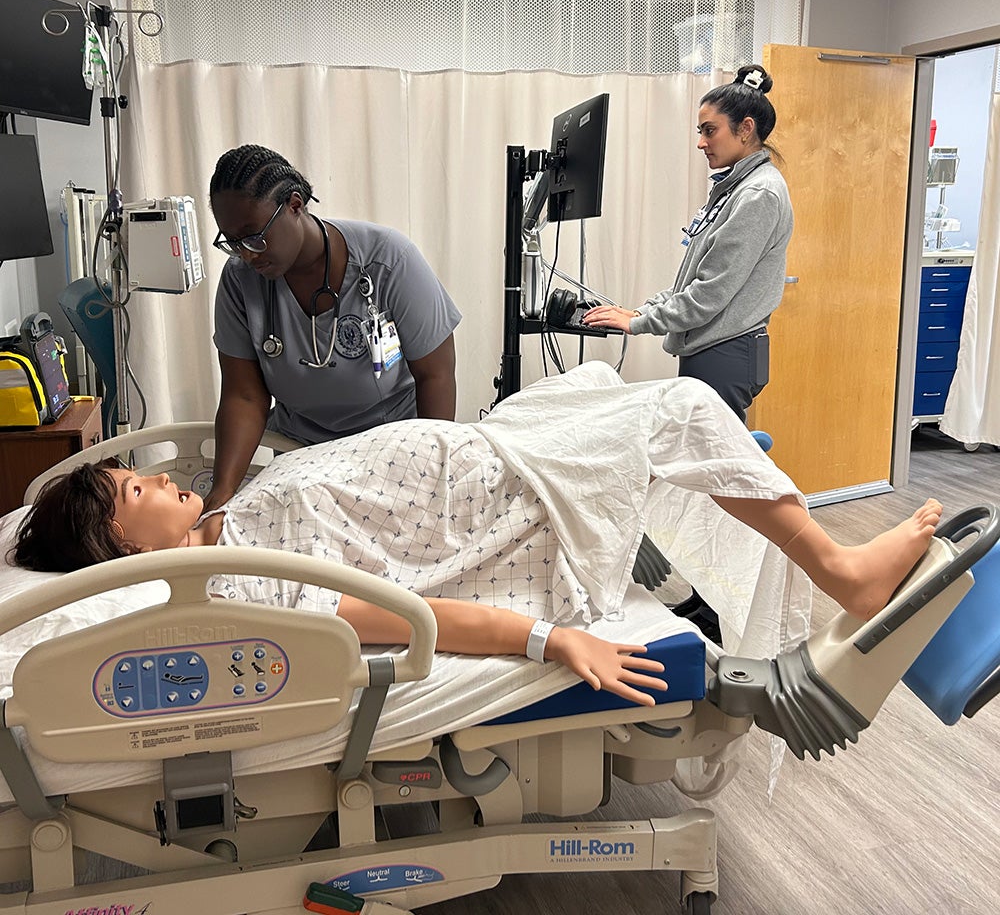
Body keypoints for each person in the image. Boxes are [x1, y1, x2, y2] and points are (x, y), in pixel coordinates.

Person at [11, 363, 941, 706]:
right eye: (139, 487)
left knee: (593, 382)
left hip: (490, 457)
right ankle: (844, 572)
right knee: (686, 405)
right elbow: (392, 612)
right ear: (121, 545)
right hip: (505, 506)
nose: (164, 477)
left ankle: (771, 549)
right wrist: (548, 637)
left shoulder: (221, 530)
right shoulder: (234, 584)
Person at [205, 144, 462, 512]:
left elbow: (435, 375)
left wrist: (431, 478)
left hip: (393, 450)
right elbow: (244, 397)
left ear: (295, 205)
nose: (247, 254)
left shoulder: (389, 260)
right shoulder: (240, 281)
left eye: (254, 237)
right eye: (232, 242)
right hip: (300, 460)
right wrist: (223, 492)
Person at [582, 64, 792, 422]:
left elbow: (709, 293)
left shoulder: (758, 194)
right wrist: (641, 311)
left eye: (710, 131)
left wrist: (639, 323)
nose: (700, 142)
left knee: (712, 468)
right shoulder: (734, 190)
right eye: (700, 131)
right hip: (712, 346)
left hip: (726, 351)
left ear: (745, 129)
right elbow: (695, 279)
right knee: (702, 461)